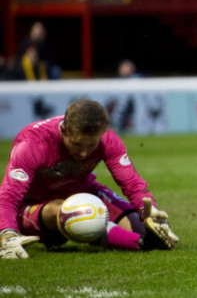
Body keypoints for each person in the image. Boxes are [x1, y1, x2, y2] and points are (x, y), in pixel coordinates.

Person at [0, 99, 178, 259]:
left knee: (145, 229)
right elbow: (8, 197)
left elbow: (131, 182)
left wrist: (149, 211)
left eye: (91, 145)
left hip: (84, 192)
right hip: (36, 208)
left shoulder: (108, 140)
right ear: (63, 130)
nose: (84, 153)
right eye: (77, 144)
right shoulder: (33, 144)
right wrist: (7, 234)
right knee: (73, 210)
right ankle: (143, 245)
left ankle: (143, 241)